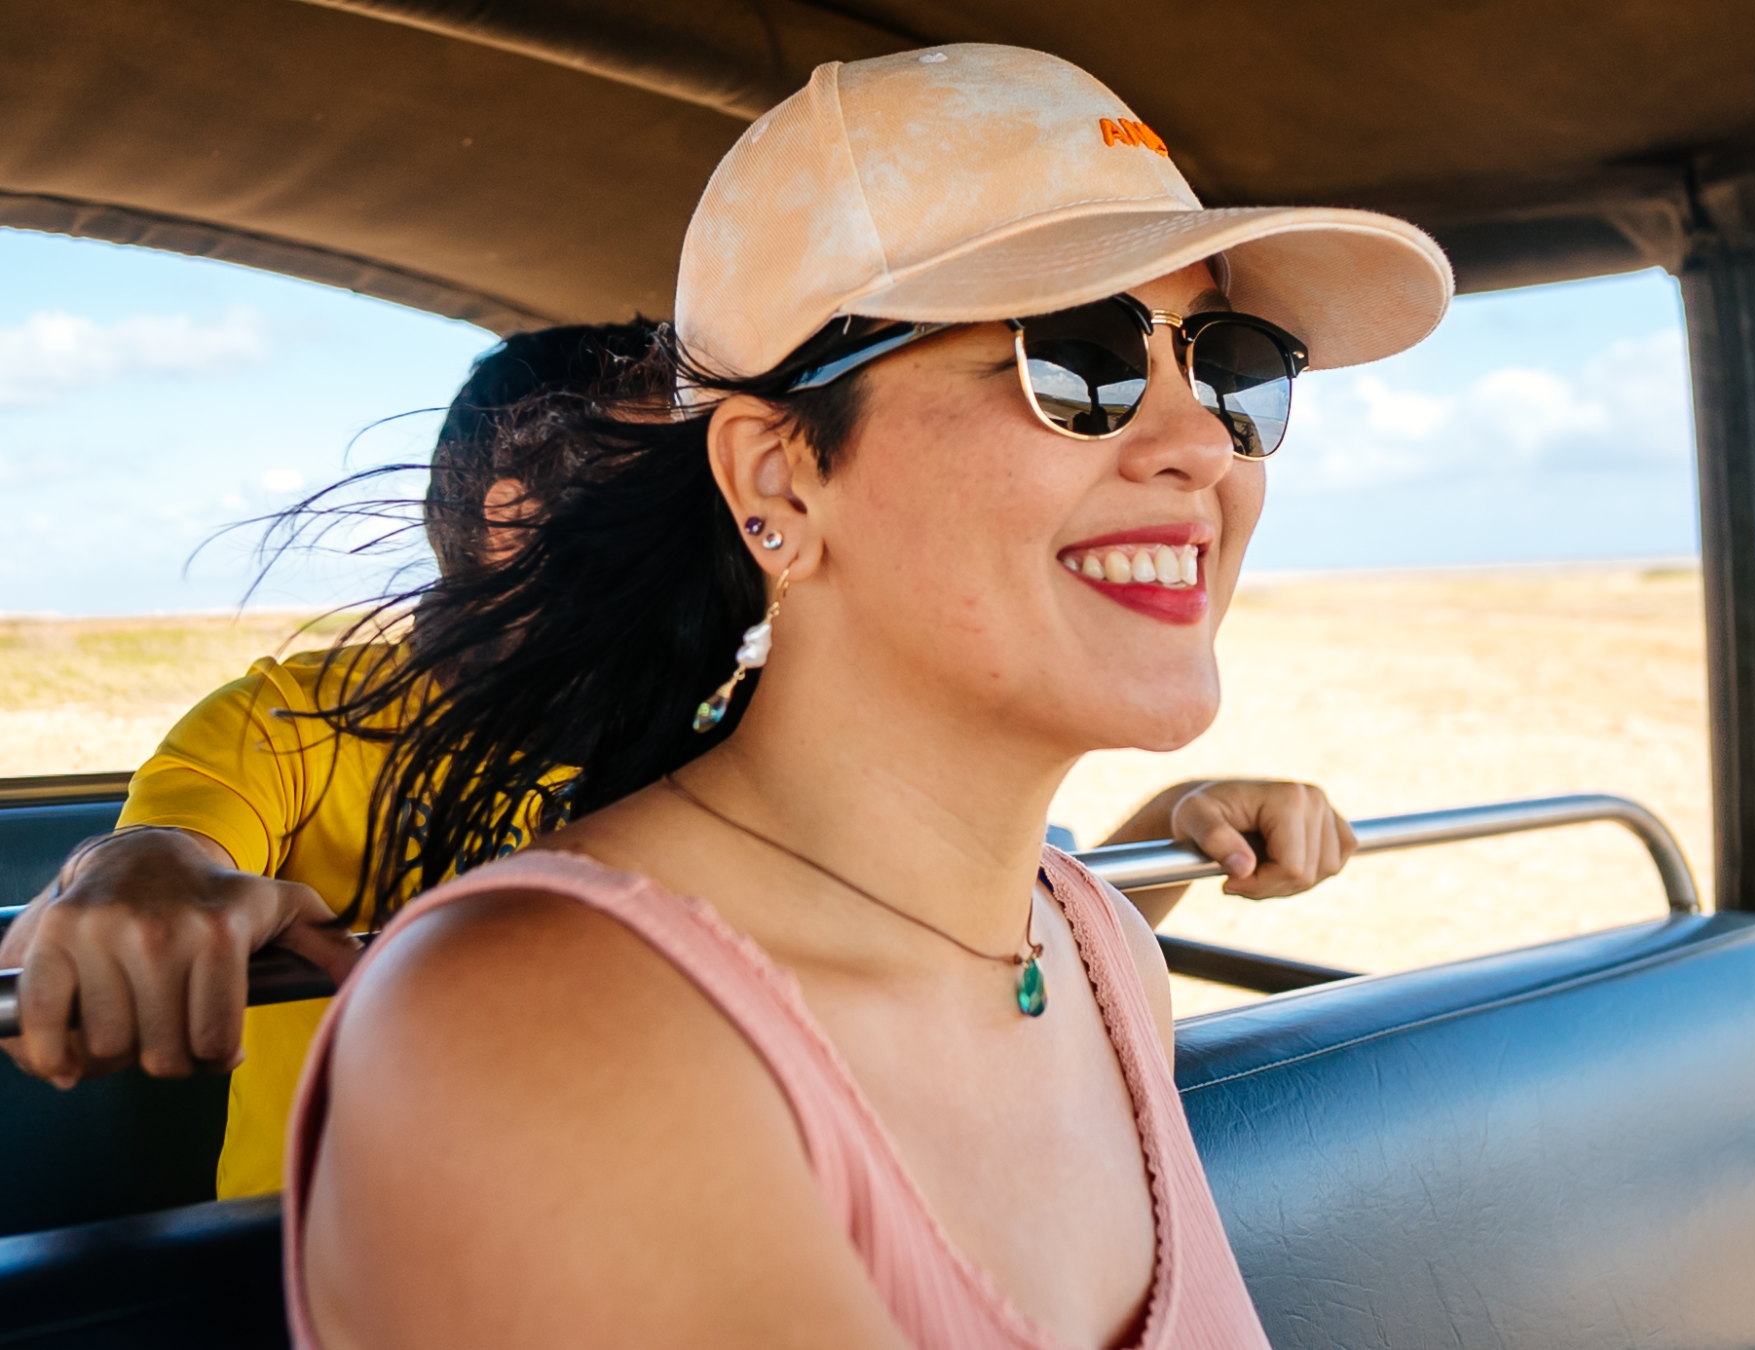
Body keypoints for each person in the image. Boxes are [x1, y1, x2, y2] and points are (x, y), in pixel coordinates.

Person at [288, 45, 1449, 1350]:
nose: (1198, 447)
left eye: (1231, 365)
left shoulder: (1100, 954)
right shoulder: (532, 1031)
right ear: (780, 483)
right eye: (1077, 355)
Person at [0, 320, 666, 1199]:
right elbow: (169, 850)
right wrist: (128, 880)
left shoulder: (719, 722)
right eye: (673, 499)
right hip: (307, 1272)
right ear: (516, 521)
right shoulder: (290, 720)